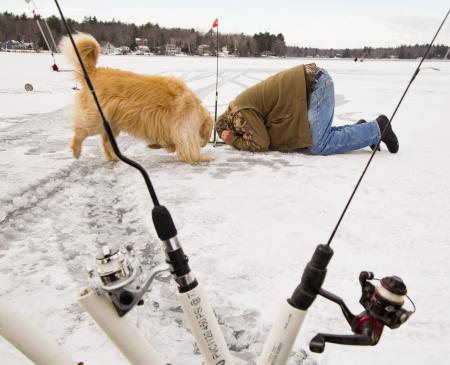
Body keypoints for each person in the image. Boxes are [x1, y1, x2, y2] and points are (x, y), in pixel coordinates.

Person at [215, 64, 399, 155]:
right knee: (310, 137)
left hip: (316, 85)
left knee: (318, 145)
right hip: (313, 84)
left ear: (230, 127)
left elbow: (260, 143)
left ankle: (377, 129)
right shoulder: (239, 107)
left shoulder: (238, 115)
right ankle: (361, 131)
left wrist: (233, 141)